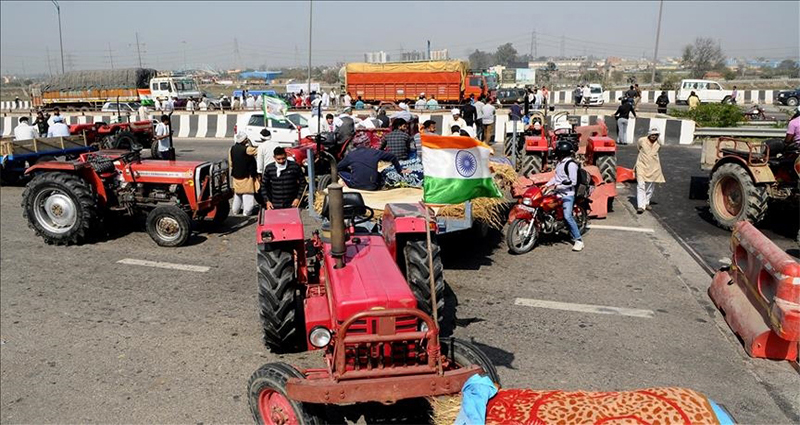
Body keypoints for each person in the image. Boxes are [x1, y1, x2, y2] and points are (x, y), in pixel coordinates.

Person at [545, 141, 584, 252]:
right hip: (557, 192)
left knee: (568, 216)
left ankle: (578, 240)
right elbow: (556, 177)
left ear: (561, 152)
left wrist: (559, 186)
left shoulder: (571, 165)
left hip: (567, 194)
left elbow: (573, 182)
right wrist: (547, 185)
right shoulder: (559, 163)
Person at [338, 142, 405, 190]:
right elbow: (392, 157)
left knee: (340, 172)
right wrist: (400, 170)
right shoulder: (375, 152)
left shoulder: (351, 155)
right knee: (377, 173)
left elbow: (338, 167)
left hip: (356, 185)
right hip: (372, 185)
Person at [634, 128, 665, 214]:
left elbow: (658, 150)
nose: (654, 136)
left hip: (653, 167)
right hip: (641, 165)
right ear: (649, 134)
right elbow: (638, 148)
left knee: (650, 186)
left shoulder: (659, 143)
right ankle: (640, 206)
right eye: (652, 134)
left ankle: (646, 202)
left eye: (656, 135)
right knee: (640, 185)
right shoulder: (642, 140)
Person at [229, 131, 259, 216]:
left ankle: (235, 210)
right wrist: (250, 144)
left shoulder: (232, 149)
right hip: (247, 176)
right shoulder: (247, 149)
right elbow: (257, 151)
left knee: (238, 194)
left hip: (236, 176)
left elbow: (231, 163)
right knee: (248, 194)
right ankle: (247, 212)